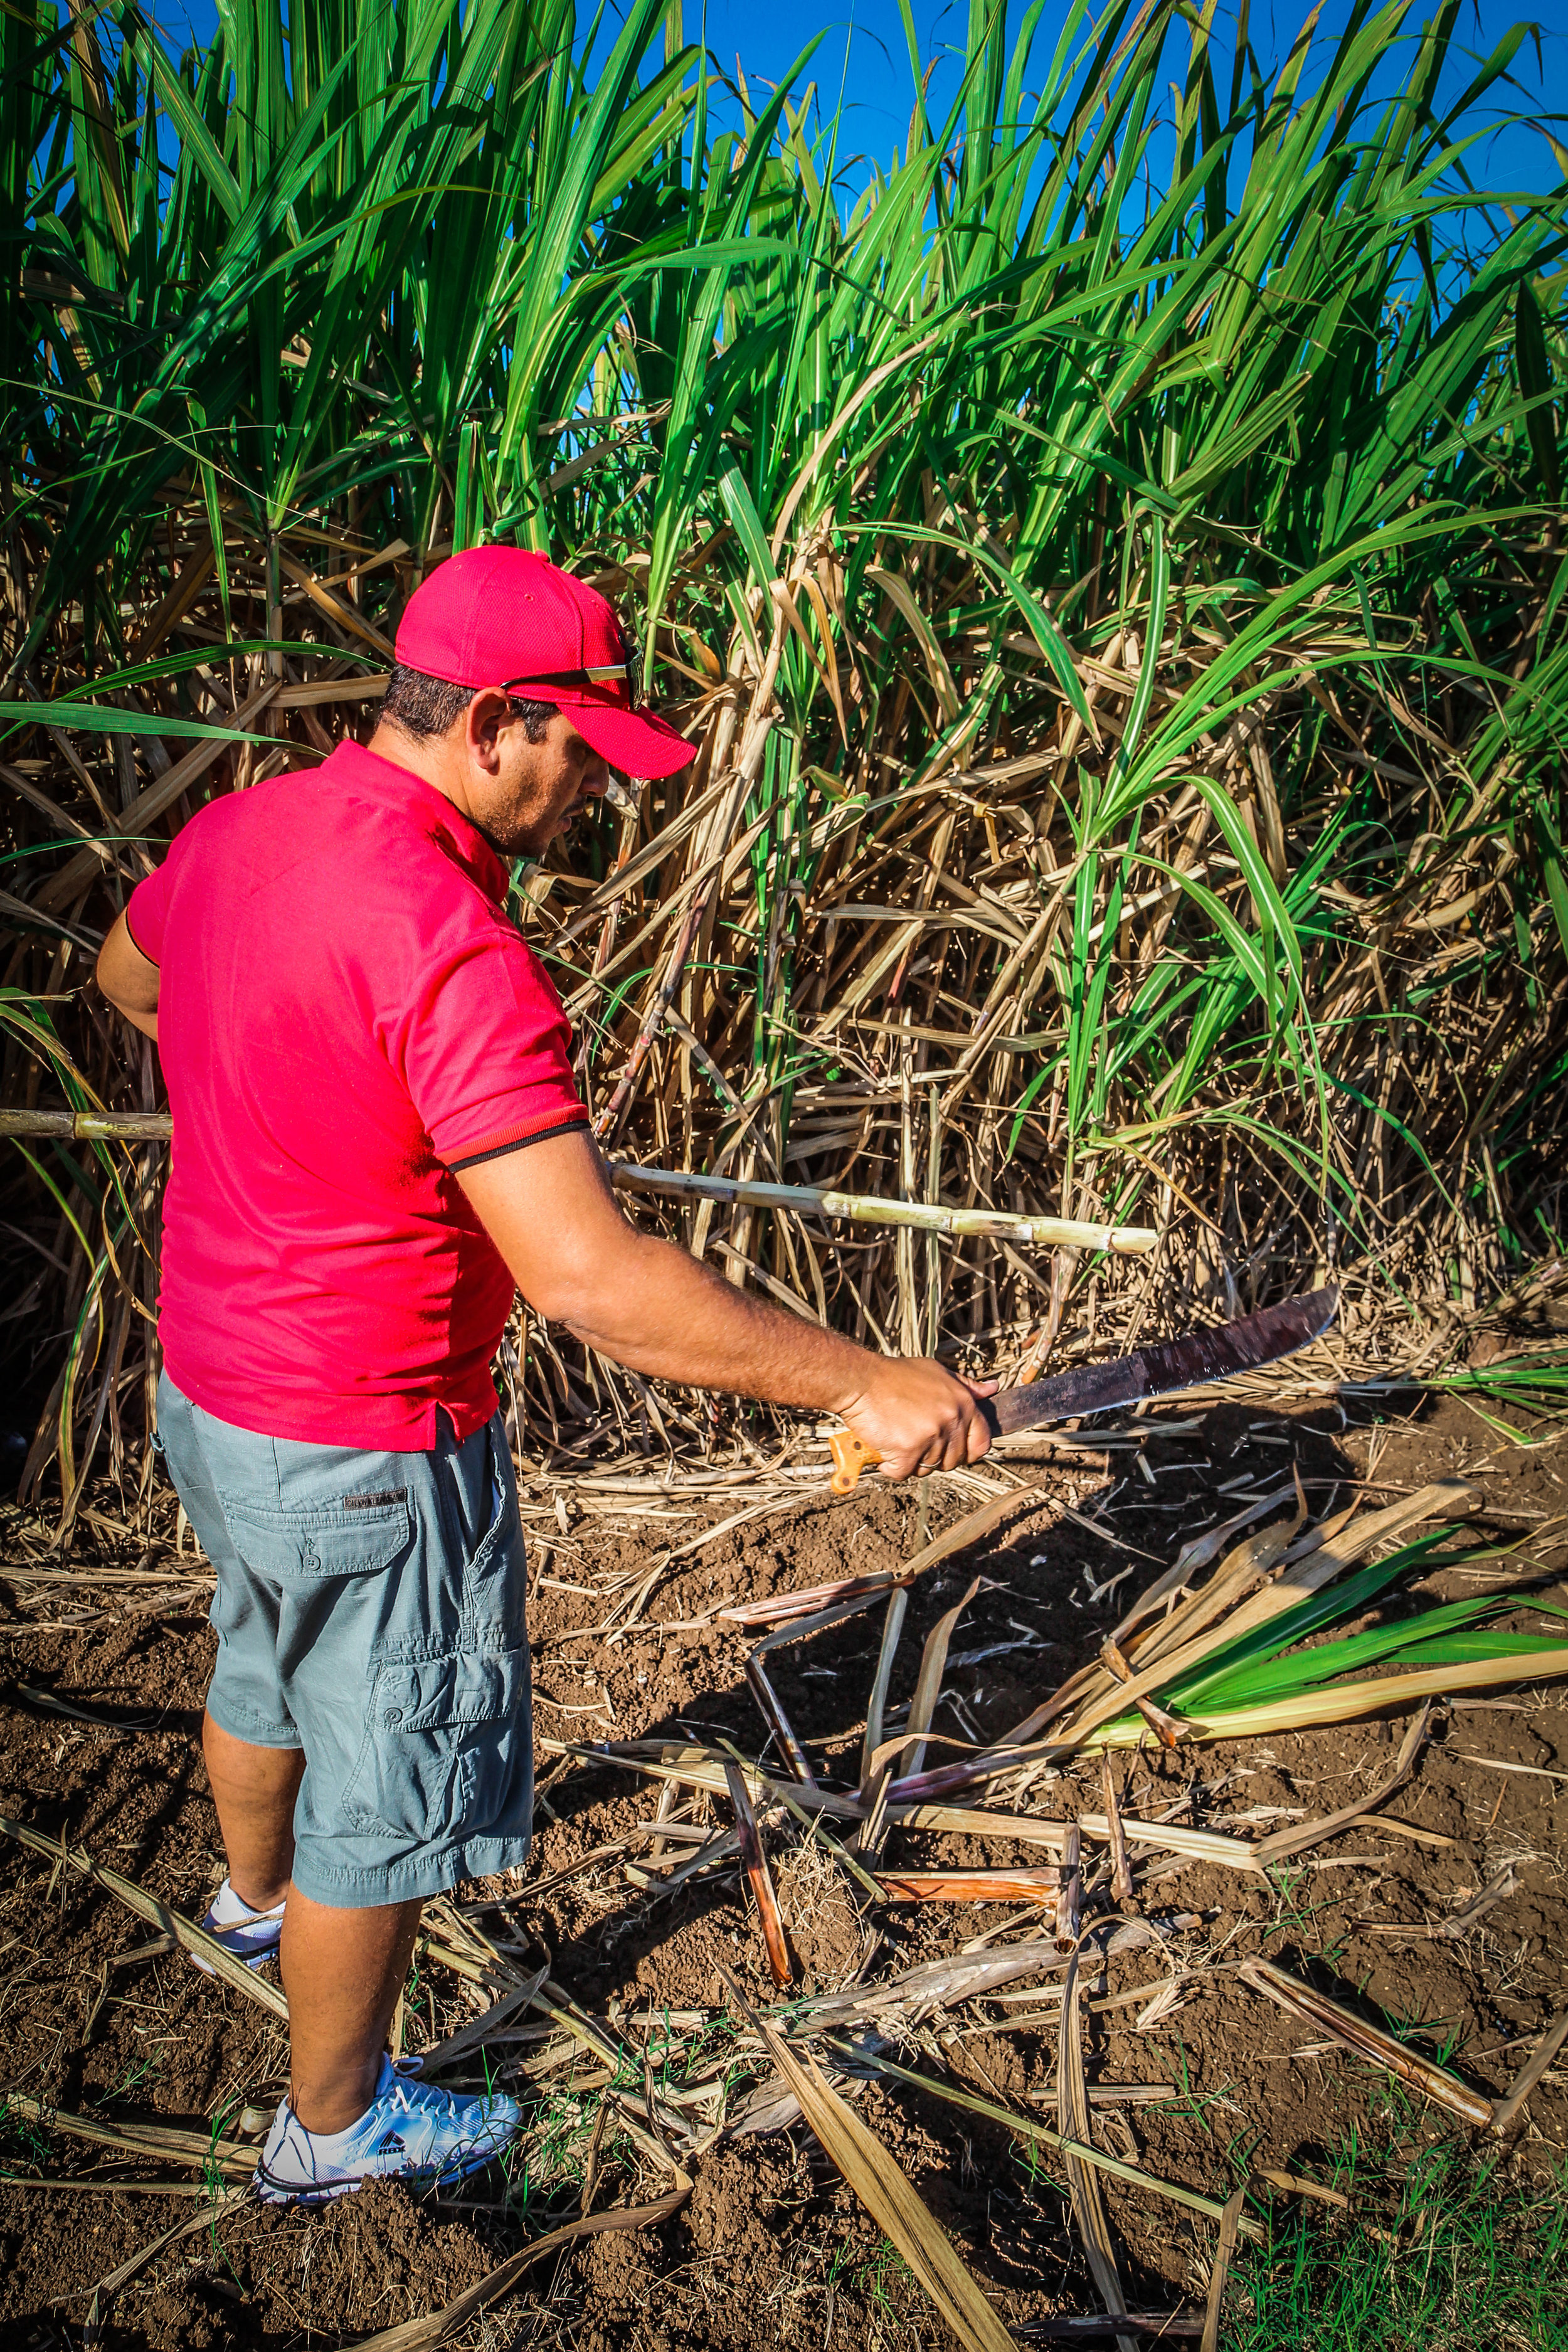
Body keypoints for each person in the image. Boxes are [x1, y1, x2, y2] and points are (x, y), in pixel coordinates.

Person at [95, 546, 993, 2203]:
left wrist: (289, 1093)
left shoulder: (245, 830)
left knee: (258, 1655)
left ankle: (246, 1903)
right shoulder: (450, 943)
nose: (595, 792)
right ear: (497, 723)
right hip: (369, 1433)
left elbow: (129, 979)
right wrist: (860, 1382)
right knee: (383, 1786)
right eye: (582, 752)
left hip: (213, 1387)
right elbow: (592, 1283)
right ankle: (335, 2123)